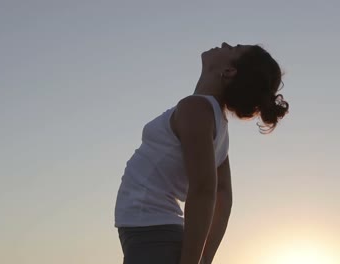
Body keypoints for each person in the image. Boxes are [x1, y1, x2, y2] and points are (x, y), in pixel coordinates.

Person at [114, 42, 289, 264]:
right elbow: (223, 194)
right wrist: (204, 258)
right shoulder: (215, 121)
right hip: (155, 235)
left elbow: (205, 190)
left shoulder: (195, 108)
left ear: (229, 71)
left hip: (152, 234)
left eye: (233, 48)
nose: (225, 44)